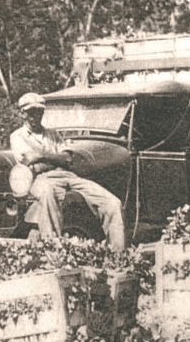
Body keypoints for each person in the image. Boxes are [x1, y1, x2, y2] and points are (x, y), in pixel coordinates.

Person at [10, 92, 126, 252]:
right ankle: (53, 251)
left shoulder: (53, 134)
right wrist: (54, 159)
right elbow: (33, 168)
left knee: (112, 203)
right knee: (47, 195)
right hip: (41, 180)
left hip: (68, 176)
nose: (36, 116)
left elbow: (68, 159)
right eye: (31, 112)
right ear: (22, 113)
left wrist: (40, 156)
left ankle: (118, 254)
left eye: (39, 112)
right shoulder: (18, 137)